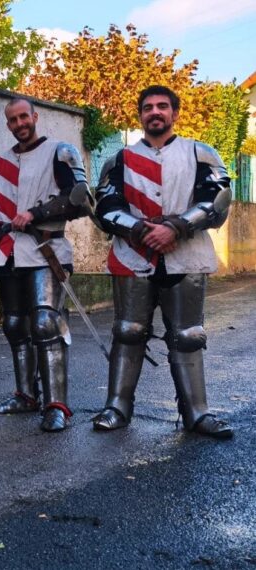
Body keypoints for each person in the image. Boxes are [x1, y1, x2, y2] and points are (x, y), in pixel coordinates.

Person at [91, 85, 233, 439]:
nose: (155, 112)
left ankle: (197, 412)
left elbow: (218, 198)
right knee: (128, 332)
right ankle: (117, 406)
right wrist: (141, 230)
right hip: (132, 255)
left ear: (175, 113)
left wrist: (176, 226)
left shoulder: (201, 153)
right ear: (139, 115)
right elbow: (106, 207)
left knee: (187, 336)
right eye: (148, 107)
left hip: (185, 256)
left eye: (162, 106)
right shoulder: (120, 160)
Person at [0, 97, 89, 432]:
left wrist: (36, 213)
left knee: (45, 324)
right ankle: (25, 395)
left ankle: (56, 404)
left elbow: (79, 199)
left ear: (35, 117)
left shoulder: (60, 151)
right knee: (13, 325)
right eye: (13, 119)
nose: (20, 123)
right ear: (8, 124)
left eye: (25, 116)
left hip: (44, 249)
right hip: (6, 251)